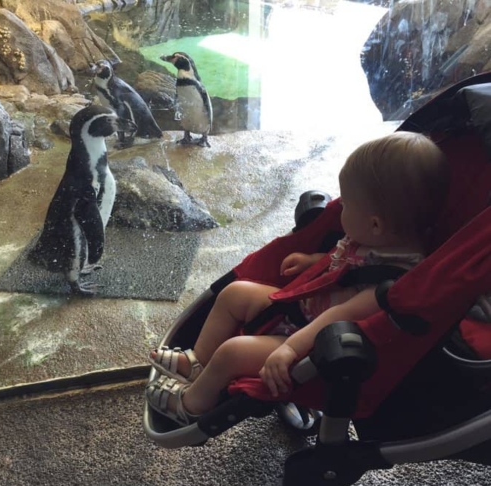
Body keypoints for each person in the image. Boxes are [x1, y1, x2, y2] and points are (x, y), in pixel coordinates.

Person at [146, 131, 451, 427]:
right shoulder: (383, 240)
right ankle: (198, 361)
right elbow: (348, 270)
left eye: (345, 205)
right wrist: (315, 261)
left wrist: (290, 349)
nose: (339, 208)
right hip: (302, 309)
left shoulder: (393, 284)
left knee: (233, 352)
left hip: (312, 344)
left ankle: (192, 405)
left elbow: (337, 316)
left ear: (374, 224)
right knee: (235, 293)